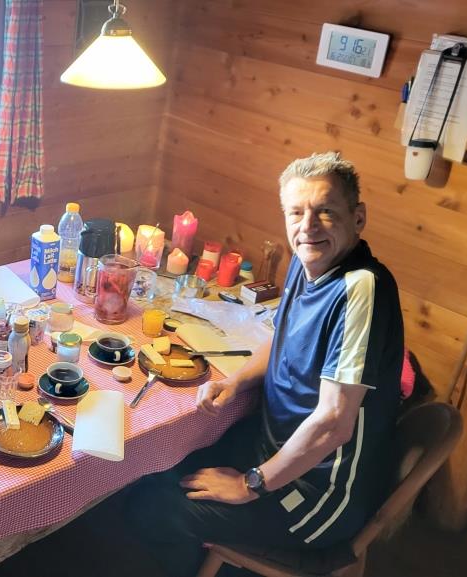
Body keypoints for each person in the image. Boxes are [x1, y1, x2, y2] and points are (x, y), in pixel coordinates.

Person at [126, 152, 404, 577]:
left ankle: (220, 566)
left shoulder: (361, 289)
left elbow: (333, 424)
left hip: (319, 492)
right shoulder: (307, 263)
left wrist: (248, 484)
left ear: (358, 217)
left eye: (325, 211)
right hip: (271, 447)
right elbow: (281, 336)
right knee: (157, 466)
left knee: (150, 508)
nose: (308, 226)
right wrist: (237, 381)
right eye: (296, 212)